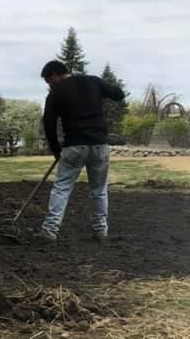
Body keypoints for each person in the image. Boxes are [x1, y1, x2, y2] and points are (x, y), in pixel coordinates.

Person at [37, 60, 125, 243]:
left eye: (48, 81)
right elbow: (118, 94)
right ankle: (101, 231)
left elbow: (49, 125)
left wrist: (56, 151)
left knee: (61, 188)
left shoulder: (55, 93)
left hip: (74, 146)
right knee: (99, 189)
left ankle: (50, 230)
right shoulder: (93, 81)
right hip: (99, 145)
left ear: (53, 75)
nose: (49, 85)